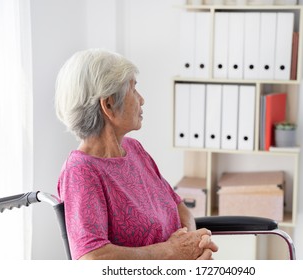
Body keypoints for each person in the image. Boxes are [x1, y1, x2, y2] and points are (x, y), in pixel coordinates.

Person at [54, 49, 218, 260]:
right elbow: (92, 258)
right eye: (133, 89)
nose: (142, 100)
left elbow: (180, 208)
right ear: (109, 104)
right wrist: (172, 253)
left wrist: (192, 248)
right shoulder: (81, 171)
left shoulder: (134, 150)